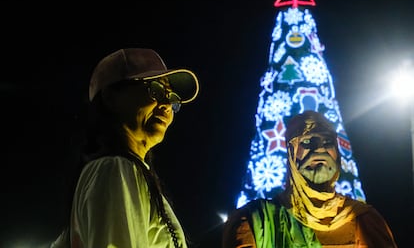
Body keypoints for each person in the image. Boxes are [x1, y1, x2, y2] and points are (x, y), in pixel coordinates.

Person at [51, 48, 199, 248]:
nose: (166, 105)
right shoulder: (114, 169)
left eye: (171, 98)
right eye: (154, 89)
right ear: (110, 98)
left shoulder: (122, 171)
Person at [222, 110, 398, 248]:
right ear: (291, 153)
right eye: (307, 142)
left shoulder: (366, 220)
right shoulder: (255, 221)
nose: (319, 150)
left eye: (327, 142)